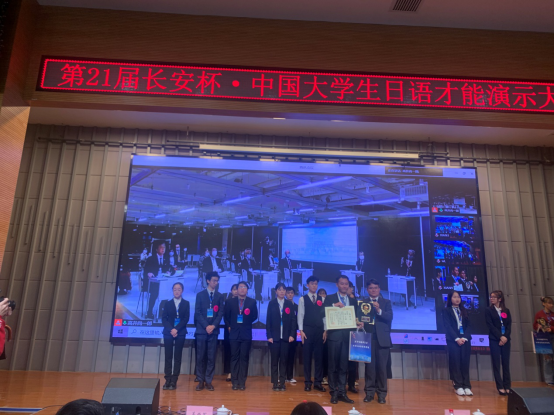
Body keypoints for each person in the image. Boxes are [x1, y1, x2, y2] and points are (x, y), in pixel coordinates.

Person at [322, 275, 363, 405]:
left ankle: (342, 392)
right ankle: (333, 392)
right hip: (334, 336)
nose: (344, 286)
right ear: (337, 284)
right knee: (333, 366)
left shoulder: (353, 301)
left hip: (347, 337)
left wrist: (358, 323)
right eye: (342, 283)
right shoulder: (330, 298)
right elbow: (321, 313)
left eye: (346, 284)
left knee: (343, 367)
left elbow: (355, 317)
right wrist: (334, 306)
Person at [362, 279, 393, 404]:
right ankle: (369, 393)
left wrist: (379, 310)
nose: (373, 290)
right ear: (367, 290)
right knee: (369, 368)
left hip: (383, 339)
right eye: (371, 288)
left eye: (375, 288)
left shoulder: (386, 302)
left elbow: (390, 317)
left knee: (382, 368)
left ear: (379, 289)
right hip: (367, 338)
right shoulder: (363, 302)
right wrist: (359, 322)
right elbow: (359, 318)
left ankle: (381, 394)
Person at [225, 281, 258, 390]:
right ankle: (234, 382)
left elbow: (254, 316)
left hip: (246, 333)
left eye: (244, 287)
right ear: (237, 289)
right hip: (234, 333)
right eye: (240, 287)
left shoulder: (252, 302)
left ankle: (242, 382)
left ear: (247, 290)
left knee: (244, 358)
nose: (242, 289)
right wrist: (231, 326)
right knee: (234, 357)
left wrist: (245, 323)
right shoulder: (230, 302)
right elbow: (226, 316)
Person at [195, 271, 225, 392]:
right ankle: (200, 380)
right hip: (202, 330)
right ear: (208, 281)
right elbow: (197, 313)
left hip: (214, 331)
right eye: (214, 280)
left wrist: (213, 326)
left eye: (217, 281)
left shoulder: (219, 296)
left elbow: (220, 313)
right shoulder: (200, 295)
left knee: (211, 357)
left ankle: (208, 381)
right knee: (200, 357)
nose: (215, 283)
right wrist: (206, 326)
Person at [298, 276, 326, 392]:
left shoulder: (322, 299)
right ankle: (308, 382)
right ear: (307, 285)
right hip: (307, 330)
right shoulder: (302, 299)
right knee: (307, 357)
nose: (314, 286)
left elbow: (324, 316)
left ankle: (318, 382)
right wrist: (301, 331)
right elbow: (300, 315)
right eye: (312, 283)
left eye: (316, 284)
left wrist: (325, 330)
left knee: (319, 357)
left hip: (319, 330)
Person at [267, 283, 297, 392]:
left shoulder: (289, 303)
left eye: (283, 290)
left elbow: (293, 320)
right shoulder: (272, 303)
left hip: (285, 337)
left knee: (284, 361)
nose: (282, 292)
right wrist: (269, 335)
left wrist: (292, 335)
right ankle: (275, 382)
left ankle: (283, 382)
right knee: (274, 361)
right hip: (274, 338)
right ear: (276, 291)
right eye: (279, 290)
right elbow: (268, 321)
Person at [161, 282, 190, 390]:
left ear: (182, 290)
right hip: (168, 332)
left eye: (179, 289)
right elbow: (164, 319)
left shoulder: (186, 303)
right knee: (168, 356)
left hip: (180, 332)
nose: (177, 291)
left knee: (177, 357)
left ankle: (174, 380)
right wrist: (171, 329)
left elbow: (186, 319)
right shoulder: (167, 303)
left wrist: (176, 329)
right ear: (172, 291)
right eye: (175, 289)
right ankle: (167, 379)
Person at [444, 291, 473, 396]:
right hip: (453, 340)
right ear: (450, 299)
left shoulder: (465, 310)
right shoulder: (446, 311)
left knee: (465, 363)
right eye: (454, 297)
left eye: (458, 297)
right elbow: (447, 326)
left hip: (465, 340)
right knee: (455, 363)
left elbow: (469, 326)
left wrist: (464, 337)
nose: (457, 299)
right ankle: (458, 385)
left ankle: (467, 386)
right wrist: (456, 338)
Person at [486, 290, 512, 395]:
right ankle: (500, 386)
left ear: (500, 299)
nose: (491, 299)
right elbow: (490, 325)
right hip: (494, 339)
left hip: (506, 340)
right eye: (491, 297)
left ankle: (507, 386)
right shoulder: (488, 310)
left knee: (506, 363)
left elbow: (509, 326)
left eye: (494, 297)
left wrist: (505, 337)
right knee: (496, 363)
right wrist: (500, 337)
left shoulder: (506, 311)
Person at [143, 242, 175, 319]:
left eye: (164, 248)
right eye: (161, 247)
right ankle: (149, 312)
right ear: (157, 249)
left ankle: (161, 311)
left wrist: (169, 272)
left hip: (163, 282)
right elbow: (146, 270)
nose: (163, 249)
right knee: (154, 293)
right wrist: (149, 273)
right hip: (153, 282)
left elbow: (171, 269)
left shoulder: (166, 258)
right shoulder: (151, 259)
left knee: (167, 293)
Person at [534, 296, 554, 386]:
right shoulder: (539, 314)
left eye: (552, 303)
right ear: (544, 304)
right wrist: (539, 326)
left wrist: (551, 329)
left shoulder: (553, 314)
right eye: (549, 303)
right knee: (547, 359)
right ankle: (549, 380)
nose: (551, 305)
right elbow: (535, 325)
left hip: (553, 336)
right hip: (545, 338)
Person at [224, 284, 239, 382]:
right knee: (229, 351)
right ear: (231, 291)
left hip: (240, 330)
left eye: (237, 289)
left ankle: (237, 372)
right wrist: (228, 326)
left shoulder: (243, 302)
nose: (236, 291)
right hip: (229, 330)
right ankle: (229, 372)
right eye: (234, 289)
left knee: (238, 352)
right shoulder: (228, 302)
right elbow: (225, 316)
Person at [347, 281, 359, 394]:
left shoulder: (355, 301)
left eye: (350, 287)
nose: (349, 289)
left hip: (353, 334)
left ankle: (351, 384)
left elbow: (358, 315)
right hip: (341, 334)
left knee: (352, 362)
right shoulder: (337, 301)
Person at [285, 286, 299, 384]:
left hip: (293, 334)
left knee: (291, 356)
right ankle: (282, 376)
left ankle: (289, 377)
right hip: (283, 334)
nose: (290, 294)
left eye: (292, 293)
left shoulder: (297, 306)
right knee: (283, 356)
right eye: (288, 293)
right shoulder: (283, 305)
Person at [317, 288, 329, 386]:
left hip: (328, 332)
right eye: (320, 294)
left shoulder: (329, 305)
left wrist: (326, 331)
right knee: (320, 356)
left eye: (324, 293)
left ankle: (327, 376)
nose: (322, 295)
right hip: (318, 332)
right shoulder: (316, 305)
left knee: (327, 356)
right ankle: (320, 376)